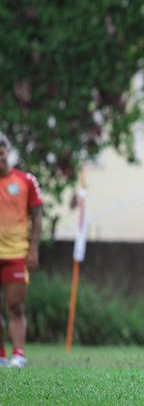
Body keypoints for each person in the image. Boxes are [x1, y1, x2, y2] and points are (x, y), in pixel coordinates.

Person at [0, 133, 43, 368]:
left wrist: (33, 249)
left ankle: (19, 354)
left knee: (15, 306)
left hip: (16, 253)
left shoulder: (26, 180)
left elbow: (37, 216)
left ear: (7, 152)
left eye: (1, 150)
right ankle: (1, 355)